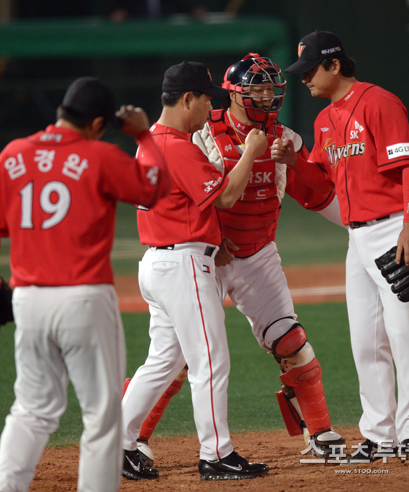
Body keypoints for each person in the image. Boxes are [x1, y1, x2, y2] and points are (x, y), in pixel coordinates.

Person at [125, 53, 346, 467]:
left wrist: (298, 164)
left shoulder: (285, 139)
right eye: (257, 89)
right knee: (191, 359)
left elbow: (318, 193)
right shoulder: (192, 137)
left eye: (271, 89)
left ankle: (319, 432)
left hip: (254, 253)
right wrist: (215, 234)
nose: (266, 96)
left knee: (288, 341)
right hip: (202, 258)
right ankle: (188, 449)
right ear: (231, 95)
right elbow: (217, 197)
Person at [0, 76, 171, 492]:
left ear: (62, 111)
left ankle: (4, 487)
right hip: (84, 300)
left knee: (32, 409)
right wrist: (143, 135)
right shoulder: (100, 156)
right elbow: (153, 189)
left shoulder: (13, 154)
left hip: (28, 301)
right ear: (99, 123)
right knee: (102, 417)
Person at [272, 30, 409, 463]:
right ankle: (380, 435)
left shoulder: (379, 102)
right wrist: (294, 163)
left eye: (311, 69)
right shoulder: (324, 121)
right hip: (357, 238)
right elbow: (321, 183)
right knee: (366, 340)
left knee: (404, 335)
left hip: (397, 231)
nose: (305, 78)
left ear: (334, 65)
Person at [121, 61, 271, 481]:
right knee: (210, 360)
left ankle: (116, 443)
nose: (211, 107)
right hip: (182, 265)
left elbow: (179, 204)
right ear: (187, 99)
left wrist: (211, 239)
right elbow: (226, 197)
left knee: (162, 362)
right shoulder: (175, 146)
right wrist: (251, 152)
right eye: (206, 99)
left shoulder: (149, 142)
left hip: (160, 261)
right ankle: (216, 454)